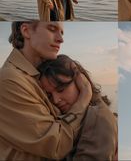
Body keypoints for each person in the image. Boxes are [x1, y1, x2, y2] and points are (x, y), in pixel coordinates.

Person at [0, 22, 92, 160]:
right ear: (26, 31)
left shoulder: (38, 76)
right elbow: (57, 144)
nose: (60, 39)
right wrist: (84, 97)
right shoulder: (10, 80)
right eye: (52, 29)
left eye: (61, 32)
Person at [38, 54, 118, 161]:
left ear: (79, 81)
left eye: (61, 89)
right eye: (49, 95)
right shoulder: (78, 114)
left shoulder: (97, 118)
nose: (56, 100)